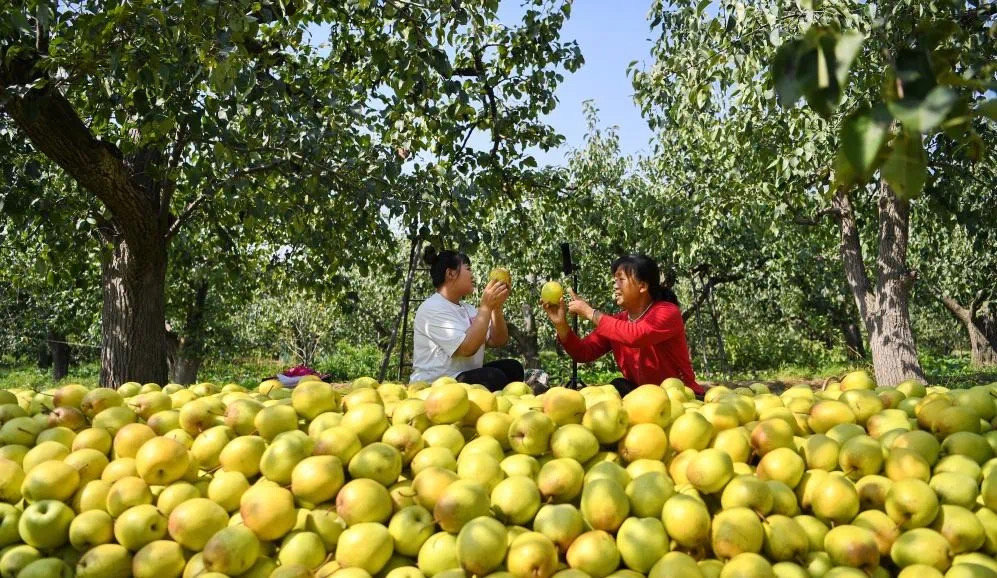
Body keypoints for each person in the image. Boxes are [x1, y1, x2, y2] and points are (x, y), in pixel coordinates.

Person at [541, 254, 704, 397]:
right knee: (618, 386)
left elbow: (636, 335)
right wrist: (561, 325)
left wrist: (591, 313)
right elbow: (584, 353)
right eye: (614, 280)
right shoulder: (618, 323)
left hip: (681, 396)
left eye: (621, 279)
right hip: (643, 399)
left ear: (643, 286)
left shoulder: (667, 312)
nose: (615, 285)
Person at [410, 246, 525, 391]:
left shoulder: (468, 309)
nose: (473, 276)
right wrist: (486, 307)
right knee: (495, 377)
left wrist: (496, 307)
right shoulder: (432, 308)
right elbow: (466, 349)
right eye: (468, 269)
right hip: (437, 384)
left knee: (513, 368)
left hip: (462, 378)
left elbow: (498, 340)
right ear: (451, 273)